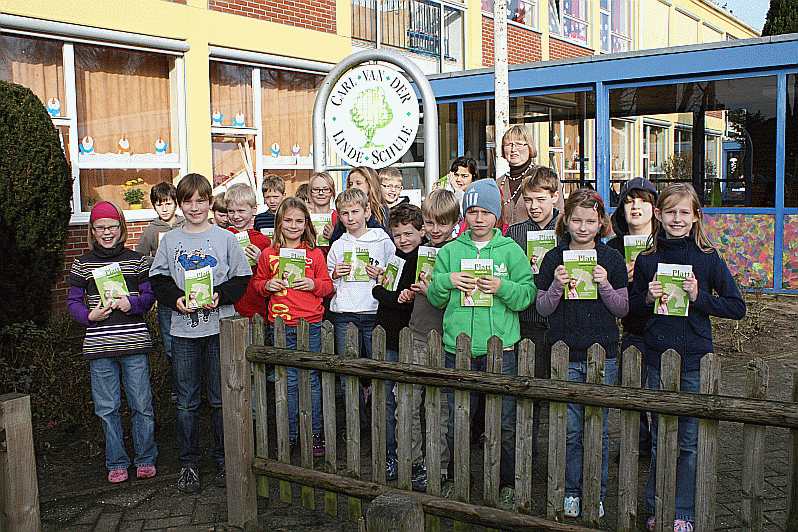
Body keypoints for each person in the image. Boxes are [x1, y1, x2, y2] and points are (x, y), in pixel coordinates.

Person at [630, 183, 745, 532]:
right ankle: (656, 507)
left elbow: (736, 307)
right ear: (658, 215)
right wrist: (646, 298)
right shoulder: (647, 260)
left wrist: (699, 297)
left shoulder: (707, 258)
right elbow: (630, 313)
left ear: (695, 216)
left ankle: (683, 512)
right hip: (657, 358)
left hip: (694, 359)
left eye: (684, 212)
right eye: (670, 212)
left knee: (689, 443)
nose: (677, 219)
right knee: (660, 438)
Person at [426, 179, 534, 510]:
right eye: (472, 211)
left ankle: (505, 483)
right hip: (457, 349)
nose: (479, 218)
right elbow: (435, 298)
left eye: (486, 212)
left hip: (500, 350)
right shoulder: (450, 251)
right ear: (465, 215)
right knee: (457, 419)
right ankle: (457, 478)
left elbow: (527, 295)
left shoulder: (510, 250)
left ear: (497, 215)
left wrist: (502, 287)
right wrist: (447, 281)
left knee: (503, 422)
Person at [150, 173, 252, 494]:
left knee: (222, 398)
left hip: (220, 329)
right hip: (184, 334)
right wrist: (176, 299)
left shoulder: (226, 239)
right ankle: (189, 463)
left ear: (210, 202)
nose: (195, 207)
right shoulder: (170, 241)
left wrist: (221, 295)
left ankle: (224, 459)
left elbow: (241, 279)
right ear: (180, 204)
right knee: (186, 402)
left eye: (201, 201)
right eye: (188, 201)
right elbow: (158, 280)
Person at [535, 189, 628, 520]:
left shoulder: (611, 259)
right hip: (565, 353)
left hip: (603, 354)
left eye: (590, 221)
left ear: (601, 222)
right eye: (576, 220)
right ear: (567, 221)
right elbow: (542, 307)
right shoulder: (553, 258)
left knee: (597, 430)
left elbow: (622, 308)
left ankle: (596, 492)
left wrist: (605, 284)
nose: (583, 227)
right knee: (570, 430)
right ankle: (571, 491)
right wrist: (556, 285)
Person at [67, 201, 157, 484]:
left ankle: (145, 458)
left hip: (134, 345)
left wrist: (132, 304)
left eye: (112, 227)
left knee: (142, 405)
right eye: (101, 227)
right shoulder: (82, 264)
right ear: (92, 231)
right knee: (107, 409)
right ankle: (116, 461)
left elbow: (149, 296)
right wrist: (88, 315)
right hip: (99, 347)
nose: (107, 232)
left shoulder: (137, 260)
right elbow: (72, 302)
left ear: (122, 228)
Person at [252, 197, 333, 457]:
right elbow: (257, 284)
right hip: (280, 325)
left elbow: (327, 286)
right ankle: (290, 434)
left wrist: (313, 285)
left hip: (310, 324)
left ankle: (315, 432)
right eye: (288, 220)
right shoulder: (269, 254)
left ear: (307, 223)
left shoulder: (314, 254)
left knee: (311, 380)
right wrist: (268, 285)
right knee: (287, 381)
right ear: (279, 223)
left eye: (299, 220)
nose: (293, 225)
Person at [402, 189, 460, 491]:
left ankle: (438, 465)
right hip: (417, 331)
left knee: (439, 407)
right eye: (429, 223)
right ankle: (412, 461)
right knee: (407, 402)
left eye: (442, 223)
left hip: (444, 337)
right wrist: (408, 292)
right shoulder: (420, 251)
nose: (435, 229)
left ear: (454, 222)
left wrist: (432, 291)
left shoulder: (459, 252)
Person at [505, 166, 560, 463]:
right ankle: (528, 454)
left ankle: (559, 456)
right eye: (528, 200)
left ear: (555, 197)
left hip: (560, 319)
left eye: (540, 199)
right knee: (529, 389)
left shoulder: (566, 228)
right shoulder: (516, 233)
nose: (534, 206)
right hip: (527, 320)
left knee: (560, 392)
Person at [371, 203, 424, 482]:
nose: (402, 240)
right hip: (387, 334)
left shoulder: (422, 259)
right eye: (398, 235)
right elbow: (393, 294)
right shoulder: (395, 256)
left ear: (421, 231)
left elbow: (401, 300)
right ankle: (391, 454)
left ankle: (410, 458)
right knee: (387, 401)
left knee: (407, 403)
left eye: (408, 234)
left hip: (408, 337)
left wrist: (379, 290)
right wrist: (384, 289)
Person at [607, 177, 658, 458]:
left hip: (664, 327)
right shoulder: (614, 247)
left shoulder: (666, 242)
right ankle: (638, 443)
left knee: (662, 393)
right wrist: (620, 278)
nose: (635, 207)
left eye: (642, 201)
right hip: (633, 330)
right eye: (628, 202)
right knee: (630, 390)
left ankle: (662, 444)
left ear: (654, 208)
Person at [327, 187, 396, 389]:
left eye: (355, 211)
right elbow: (328, 283)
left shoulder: (382, 241)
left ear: (367, 212)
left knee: (378, 369)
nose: (350, 217)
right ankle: (353, 408)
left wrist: (381, 274)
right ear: (339, 217)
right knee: (348, 370)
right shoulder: (338, 245)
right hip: (345, 313)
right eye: (345, 213)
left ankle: (377, 406)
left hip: (374, 312)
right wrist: (334, 274)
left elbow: (394, 274)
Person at [136, 182, 184, 400]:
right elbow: (139, 259)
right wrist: (157, 260)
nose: (164, 209)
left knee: (192, 341)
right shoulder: (151, 230)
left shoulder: (185, 224)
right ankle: (177, 386)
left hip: (189, 291)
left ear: (176, 203)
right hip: (165, 296)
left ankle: (195, 384)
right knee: (170, 342)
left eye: (168, 203)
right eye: (159, 204)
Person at [496, 125, 564, 227]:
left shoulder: (545, 176)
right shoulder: (498, 183)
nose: (513, 149)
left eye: (519, 144)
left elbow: (559, 215)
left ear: (530, 147)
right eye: (508, 145)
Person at [225, 183, 272, 319]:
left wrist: (261, 260)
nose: (236, 216)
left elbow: (273, 273)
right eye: (231, 211)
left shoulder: (264, 241)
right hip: (229, 306)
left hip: (256, 304)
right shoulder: (222, 237)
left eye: (241, 211)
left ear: (254, 209)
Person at [329, 166, 391, 245]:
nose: (353, 187)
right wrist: (332, 235)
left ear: (370, 184)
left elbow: (388, 241)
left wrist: (370, 220)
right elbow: (337, 241)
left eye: (358, 183)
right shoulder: (346, 209)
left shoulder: (381, 210)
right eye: (350, 184)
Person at [307, 171, 338, 254]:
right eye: (316, 189)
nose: (321, 193)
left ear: (332, 192)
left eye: (326, 189)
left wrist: (334, 236)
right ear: (310, 192)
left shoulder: (340, 218)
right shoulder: (304, 217)